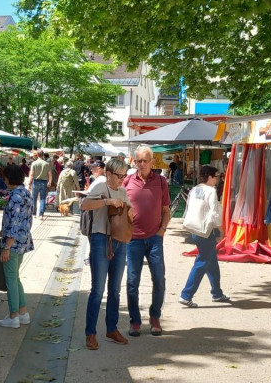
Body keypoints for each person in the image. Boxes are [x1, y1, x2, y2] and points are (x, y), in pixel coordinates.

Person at [82, 157, 133, 350]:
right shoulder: (100, 185)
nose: (122, 179)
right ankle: (90, 333)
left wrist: (130, 212)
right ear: (109, 174)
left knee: (115, 290)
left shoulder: (122, 190)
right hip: (101, 240)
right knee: (97, 290)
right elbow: (85, 205)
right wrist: (106, 201)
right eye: (119, 175)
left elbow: (129, 210)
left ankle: (111, 328)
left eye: (124, 175)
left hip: (119, 241)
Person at [124, 144, 171, 337]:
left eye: (145, 160)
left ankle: (155, 317)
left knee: (159, 279)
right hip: (132, 240)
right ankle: (135, 321)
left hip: (154, 239)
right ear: (134, 162)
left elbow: (166, 211)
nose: (141, 164)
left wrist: (161, 230)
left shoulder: (161, 182)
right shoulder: (126, 181)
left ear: (152, 162)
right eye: (138, 161)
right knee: (132, 282)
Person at [178, 166, 228, 306]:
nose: (218, 179)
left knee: (211, 262)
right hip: (207, 230)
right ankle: (186, 295)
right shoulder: (211, 191)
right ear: (210, 177)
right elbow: (214, 213)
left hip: (195, 228)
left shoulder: (195, 189)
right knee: (202, 262)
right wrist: (220, 229)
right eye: (217, 176)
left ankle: (217, 292)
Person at [0, 164, 33, 329]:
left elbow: (15, 221)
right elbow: (22, 219)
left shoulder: (15, 196)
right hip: (23, 241)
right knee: (16, 277)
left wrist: (7, 246)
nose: (3, 180)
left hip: (13, 243)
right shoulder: (26, 193)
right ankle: (23, 312)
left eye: (5, 177)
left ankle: (13, 316)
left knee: (11, 279)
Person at [29, 150, 52, 220]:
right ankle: (41, 214)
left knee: (34, 198)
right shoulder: (46, 164)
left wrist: (29, 183)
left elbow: (31, 175)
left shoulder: (34, 163)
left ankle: (34, 213)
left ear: (37, 155)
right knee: (42, 198)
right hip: (44, 182)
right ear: (43, 155)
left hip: (35, 182)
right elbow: (50, 174)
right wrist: (50, 182)